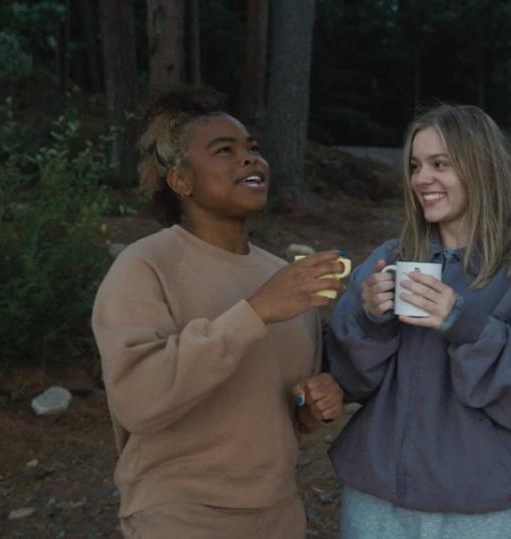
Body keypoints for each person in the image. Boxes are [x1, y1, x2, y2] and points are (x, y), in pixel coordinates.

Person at [326, 104, 511, 538]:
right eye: (415, 166)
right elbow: (345, 380)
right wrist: (370, 320)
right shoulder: (388, 260)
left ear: (481, 168)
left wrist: (465, 324)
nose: (421, 179)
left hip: (484, 507)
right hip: (377, 502)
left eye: (440, 164)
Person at [91, 87, 345, 538]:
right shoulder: (145, 265)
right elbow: (138, 400)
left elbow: (283, 411)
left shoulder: (280, 275)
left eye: (253, 149)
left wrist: (314, 402)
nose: (249, 159)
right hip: (180, 515)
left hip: (280, 513)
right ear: (181, 180)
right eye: (224, 150)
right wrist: (256, 312)